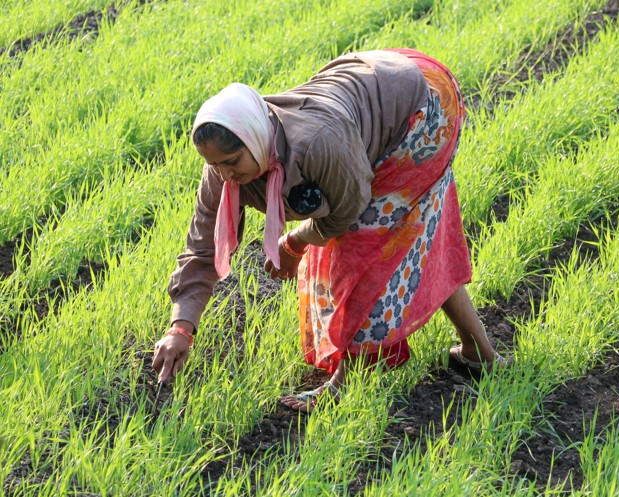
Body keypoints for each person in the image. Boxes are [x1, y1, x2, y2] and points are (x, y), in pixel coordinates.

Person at [152, 48, 505, 413]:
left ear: (256, 135)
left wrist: (296, 240)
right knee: (415, 241)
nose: (225, 175)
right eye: (214, 165)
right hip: (374, 92)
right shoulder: (223, 174)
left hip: (423, 109)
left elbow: (348, 209)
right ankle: (479, 354)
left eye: (231, 162)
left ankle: (343, 382)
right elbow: (203, 248)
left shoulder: (317, 143)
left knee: (362, 251)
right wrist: (181, 328)